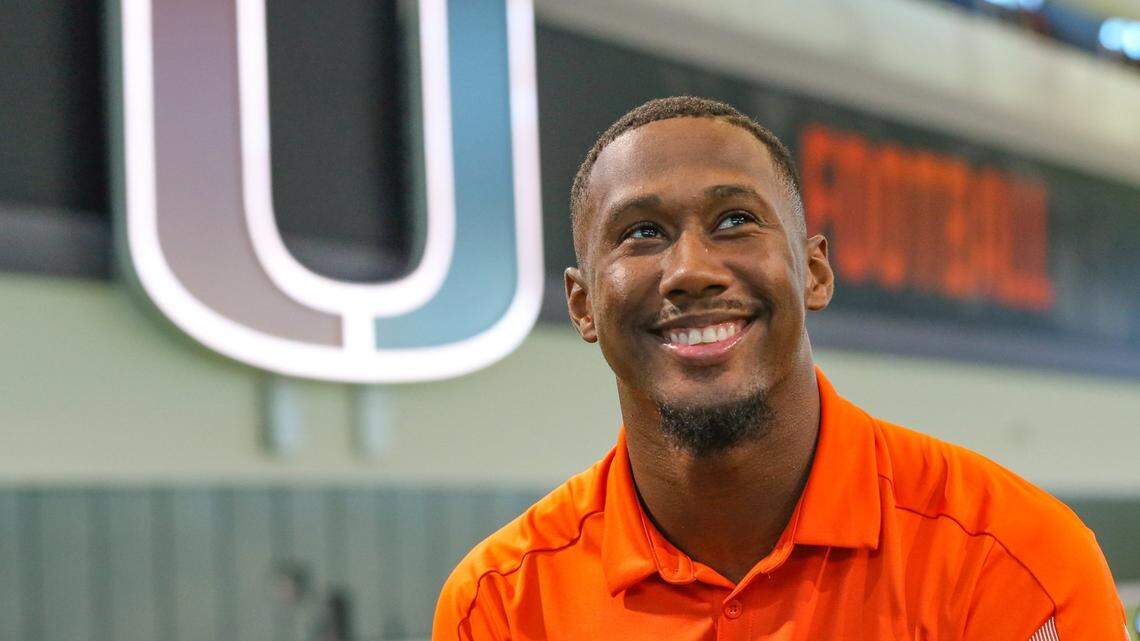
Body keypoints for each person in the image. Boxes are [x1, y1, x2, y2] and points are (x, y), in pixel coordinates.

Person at [432, 96, 1126, 640]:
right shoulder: (498, 604)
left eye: (735, 220)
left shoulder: (1014, 559)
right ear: (583, 305)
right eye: (642, 231)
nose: (692, 271)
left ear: (815, 271)